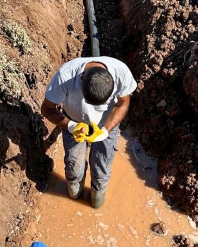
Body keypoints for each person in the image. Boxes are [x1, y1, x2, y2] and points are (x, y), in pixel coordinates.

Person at [41, 56, 136, 209]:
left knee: (101, 172)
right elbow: (46, 109)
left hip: (106, 124)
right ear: (81, 79)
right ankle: (75, 196)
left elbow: (123, 103)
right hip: (73, 120)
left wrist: (105, 132)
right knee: (73, 169)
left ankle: (96, 203)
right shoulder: (65, 77)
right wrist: (72, 126)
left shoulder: (121, 73)